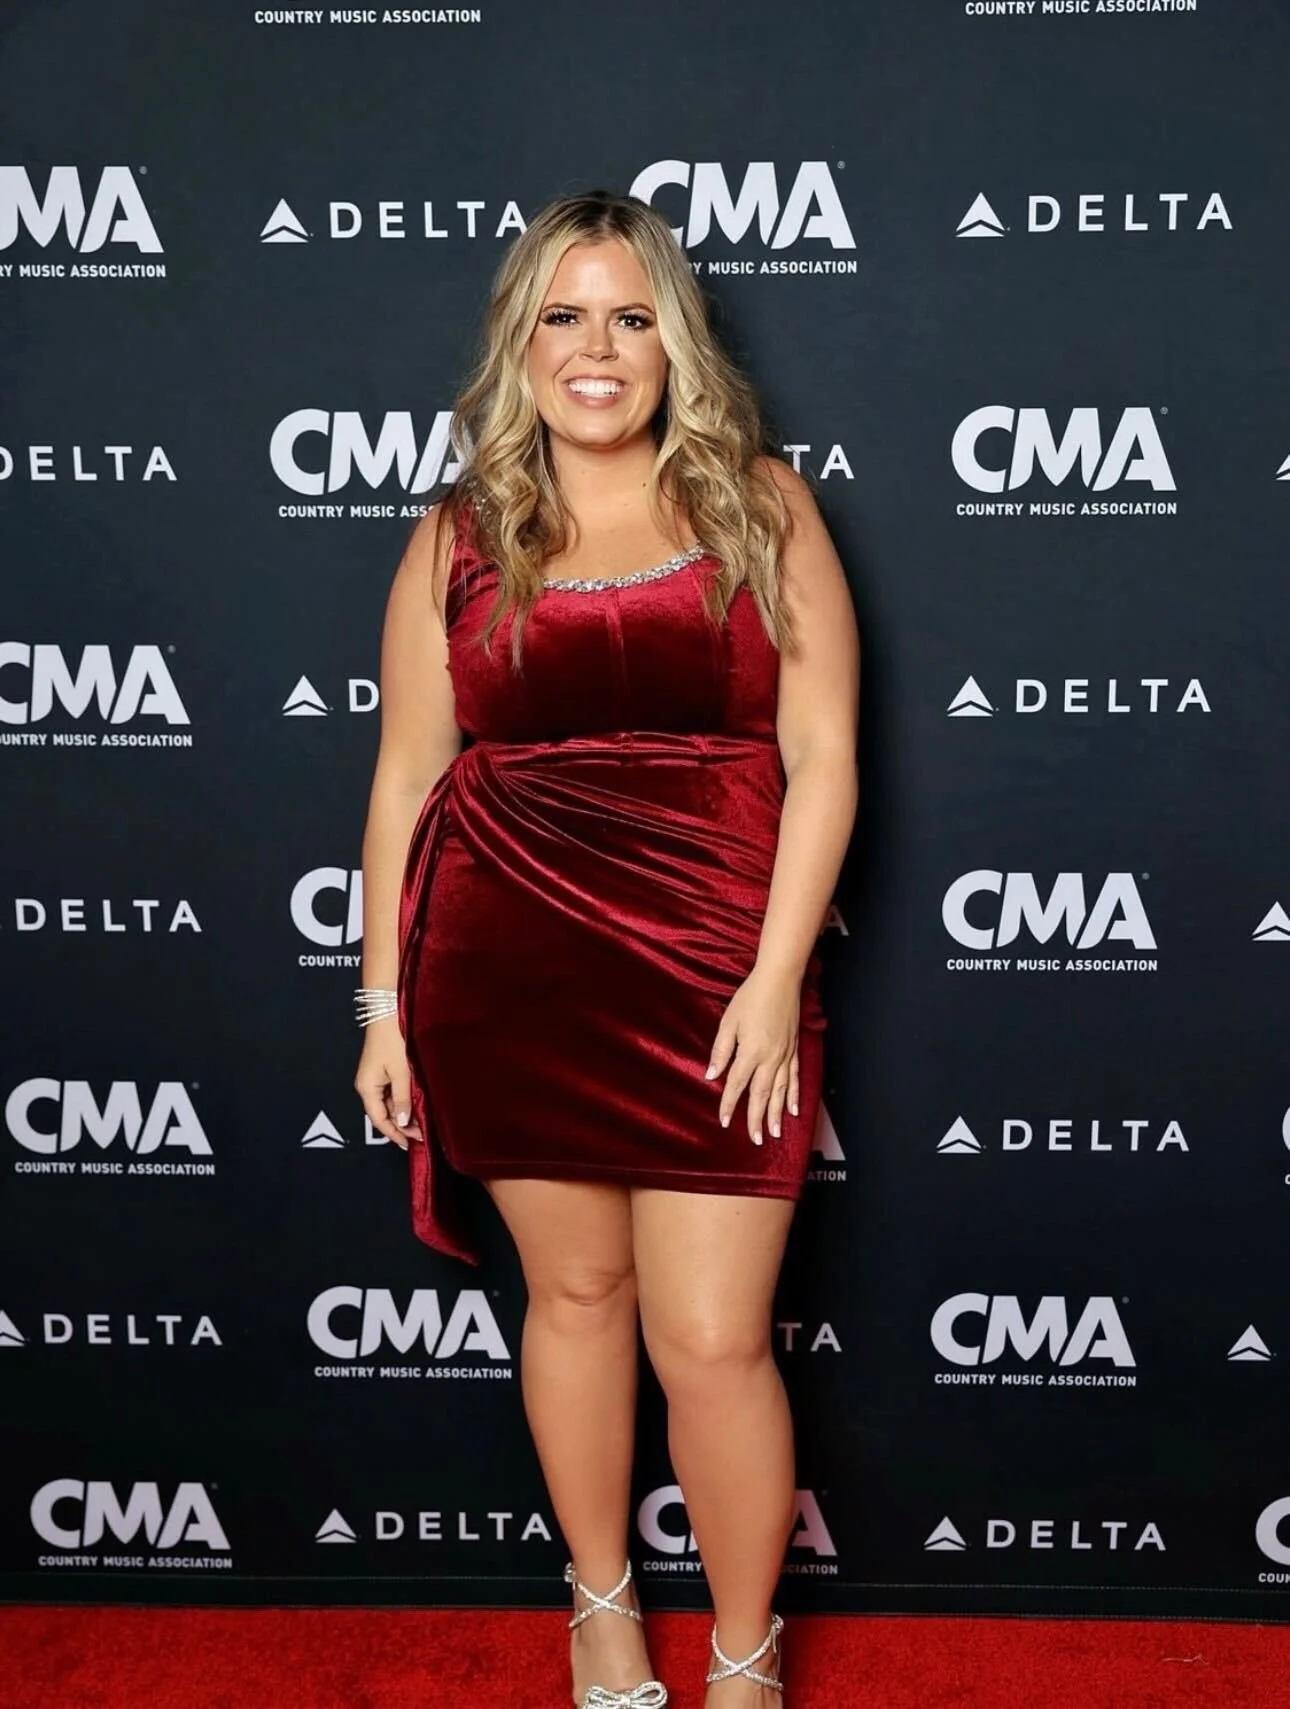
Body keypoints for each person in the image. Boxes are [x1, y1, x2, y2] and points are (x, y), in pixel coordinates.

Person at [354, 189, 860, 1708]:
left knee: (710, 1338)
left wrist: (774, 977)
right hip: (505, 964)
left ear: (673, 345)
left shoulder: (760, 505)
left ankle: (746, 1653)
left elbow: (824, 754)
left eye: (632, 317)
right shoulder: (457, 537)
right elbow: (405, 774)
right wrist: (381, 1006)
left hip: (718, 965)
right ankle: (600, 1609)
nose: (598, 349)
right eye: (564, 317)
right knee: (573, 1302)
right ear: (521, 346)